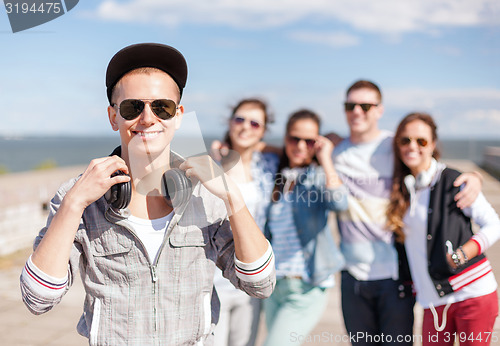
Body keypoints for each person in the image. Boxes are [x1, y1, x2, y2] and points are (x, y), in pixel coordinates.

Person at [19, 43, 275, 345]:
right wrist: (74, 203)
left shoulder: (207, 195)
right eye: (132, 107)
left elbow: (260, 284)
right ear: (114, 117)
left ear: (178, 116)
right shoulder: (78, 198)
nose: (148, 118)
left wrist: (233, 198)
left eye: (162, 107)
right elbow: (38, 298)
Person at [330, 80, 482, 345]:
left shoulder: (395, 145)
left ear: (379, 110)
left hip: (395, 276)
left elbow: (431, 169)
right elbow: (290, 152)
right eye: (350, 105)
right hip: (352, 276)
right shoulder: (335, 151)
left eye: (365, 106)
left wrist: (474, 177)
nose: (357, 111)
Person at [387, 112, 500, 346]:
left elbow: (494, 224)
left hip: (472, 294)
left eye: (422, 141)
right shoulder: (404, 189)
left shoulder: (454, 181)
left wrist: (462, 254)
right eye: (405, 140)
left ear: (433, 145)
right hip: (433, 302)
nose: (413, 146)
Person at [263, 109, 348, 346]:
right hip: (273, 284)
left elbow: (340, 203)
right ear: (285, 138)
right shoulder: (276, 175)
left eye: (308, 141)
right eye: (294, 139)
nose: (300, 145)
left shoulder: (318, 176)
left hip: (307, 285)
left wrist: (326, 158)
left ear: (317, 143)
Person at [211, 98, 279, 346]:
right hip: (213, 281)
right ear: (229, 122)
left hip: (251, 278)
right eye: (239, 119)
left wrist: (263, 147)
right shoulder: (211, 165)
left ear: (263, 132)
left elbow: (291, 151)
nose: (245, 127)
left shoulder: (270, 167)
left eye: (255, 123)